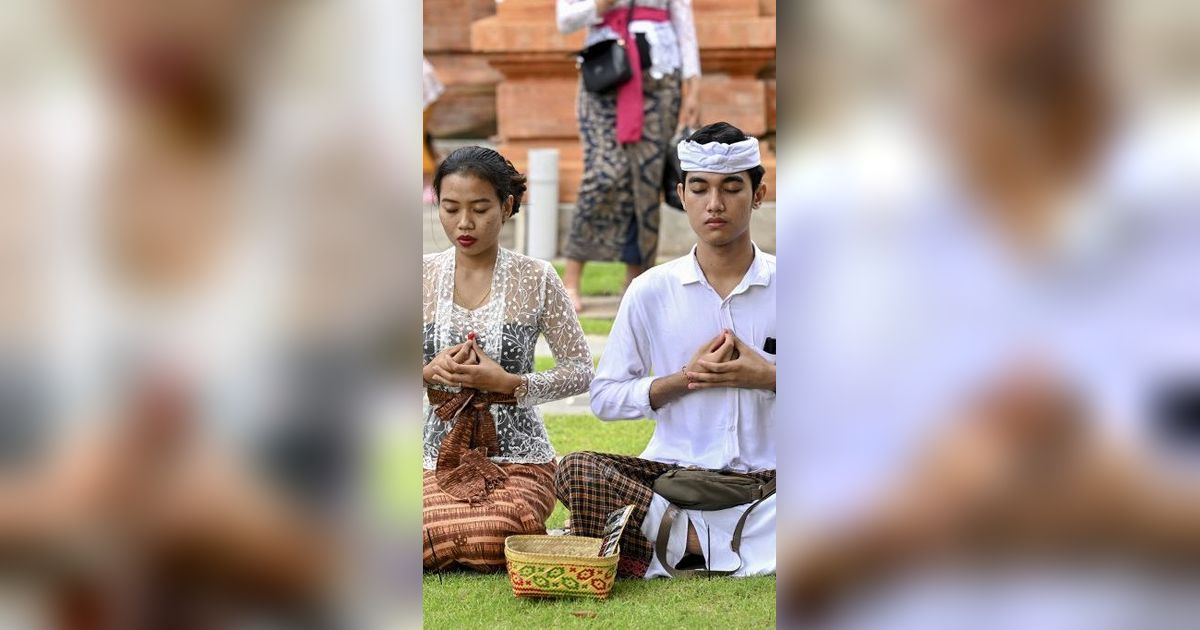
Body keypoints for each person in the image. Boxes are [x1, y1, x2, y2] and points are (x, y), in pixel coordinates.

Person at [782, 0, 1200, 626]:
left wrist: (1124, 508)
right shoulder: (828, 218)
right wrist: (919, 511)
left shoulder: (1182, 202)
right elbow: (784, 559)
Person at [556, 122, 775, 578]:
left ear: (758, 194)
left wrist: (768, 376)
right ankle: (718, 544)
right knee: (578, 469)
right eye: (700, 189)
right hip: (674, 479)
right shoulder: (650, 291)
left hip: (773, 483)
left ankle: (678, 545)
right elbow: (605, 398)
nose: (715, 204)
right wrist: (685, 379)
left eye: (732, 189)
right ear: (681, 194)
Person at [422, 146, 594, 572]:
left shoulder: (537, 278)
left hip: (518, 456)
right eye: (451, 208)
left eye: (480, 208)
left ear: (507, 205)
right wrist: (428, 370)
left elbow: (580, 370)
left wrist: (509, 383)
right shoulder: (417, 274)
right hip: (431, 454)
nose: (464, 223)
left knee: (495, 528)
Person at [557, 0, 702, 312]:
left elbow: (684, 21)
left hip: (661, 78)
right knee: (602, 173)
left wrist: (693, 88)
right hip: (604, 74)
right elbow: (564, 20)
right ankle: (570, 280)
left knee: (645, 180)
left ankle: (636, 283)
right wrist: (600, 4)